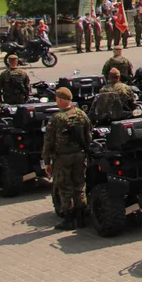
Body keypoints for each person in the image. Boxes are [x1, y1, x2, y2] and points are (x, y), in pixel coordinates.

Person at [42, 87, 91, 230]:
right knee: (79, 185)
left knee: (64, 187)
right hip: (80, 155)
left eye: (57, 99)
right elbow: (88, 135)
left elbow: (48, 142)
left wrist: (47, 162)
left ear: (61, 100)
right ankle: (80, 217)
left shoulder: (56, 119)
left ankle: (68, 219)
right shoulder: (81, 115)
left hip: (63, 158)